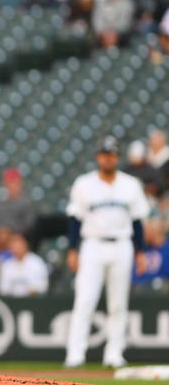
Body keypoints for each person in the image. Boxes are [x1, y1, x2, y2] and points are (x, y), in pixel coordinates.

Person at [64, 136, 149, 368]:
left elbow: (138, 222)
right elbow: (74, 219)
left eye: (111, 154)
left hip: (122, 244)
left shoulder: (130, 184)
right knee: (85, 299)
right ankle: (75, 354)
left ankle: (114, 353)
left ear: (117, 157)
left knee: (118, 303)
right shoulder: (84, 183)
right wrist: (73, 249)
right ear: (97, 157)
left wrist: (140, 252)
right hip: (92, 244)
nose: (108, 158)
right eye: (104, 154)